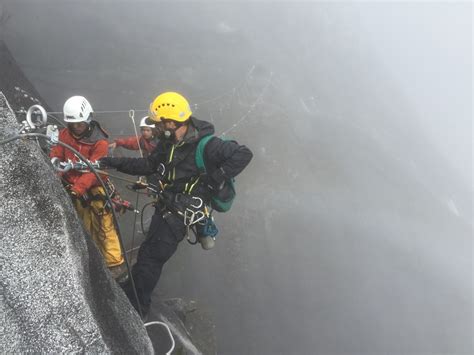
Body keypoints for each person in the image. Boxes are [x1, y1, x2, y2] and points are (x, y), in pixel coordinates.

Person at [99, 91, 252, 317]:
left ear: (171, 122)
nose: (156, 129)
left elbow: (243, 154)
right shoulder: (168, 144)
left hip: (183, 213)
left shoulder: (208, 145)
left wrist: (216, 177)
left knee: (152, 256)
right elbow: (148, 165)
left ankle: (136, 308)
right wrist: (111, 162)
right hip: (168, 205)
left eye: (159, 124)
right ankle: (133, 296)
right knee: (148, 254)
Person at [50, 96, 125, 278]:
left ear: (88, 120)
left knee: (103, 225)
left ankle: (115, 265)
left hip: (93, 186)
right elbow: (56, 156)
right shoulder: (64, 135)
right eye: (73, 124)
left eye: (80, 124)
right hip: (71, 184)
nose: (76, 128)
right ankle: (91, 259)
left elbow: (96, 170)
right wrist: (56, 176)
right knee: (81, 224)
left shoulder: (100, 142)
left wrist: (79, 188)